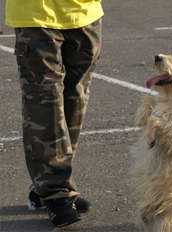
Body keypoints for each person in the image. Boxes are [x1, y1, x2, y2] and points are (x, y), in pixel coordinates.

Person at [6, 0, 104, 228]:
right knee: (44, 102)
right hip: (36, 15)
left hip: (84, 13)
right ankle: (55, 192)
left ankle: (53, 183)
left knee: (75, 101)